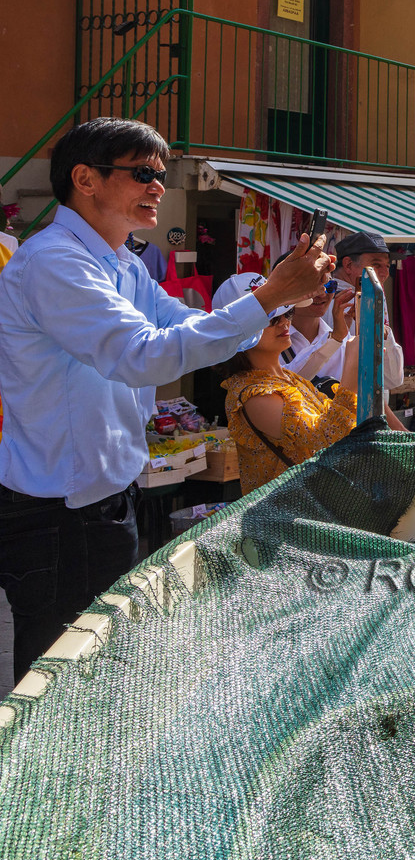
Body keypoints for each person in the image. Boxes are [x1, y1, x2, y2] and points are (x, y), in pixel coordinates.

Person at [0, 117, 331, 681]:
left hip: (105, 497)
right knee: (55, 678)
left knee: (101, 669)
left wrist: (280, 304)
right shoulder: (55, 261)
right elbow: (144, 355)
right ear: (86, 178)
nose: (158, 185)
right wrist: (272, 295)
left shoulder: (123, 262)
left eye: (159, 173)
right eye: (142, 173)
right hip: (57, 509)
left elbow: (191, 330)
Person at [216, 273, 363, 494]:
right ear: (240, 331)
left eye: (287, 312)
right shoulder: (253, 395)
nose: (284, 322)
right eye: (271, 318)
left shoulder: (288, 377)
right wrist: (352, 372)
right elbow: (327, 439)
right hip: (284, 522)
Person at [320, 232, 406, 430]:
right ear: (348, 265)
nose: (384, 272)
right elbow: (390, 377)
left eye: (387, 265)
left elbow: (391, 377)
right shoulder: (341, 300)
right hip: (349, 416)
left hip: (359, 413)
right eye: (376, 265)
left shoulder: (372, 296)